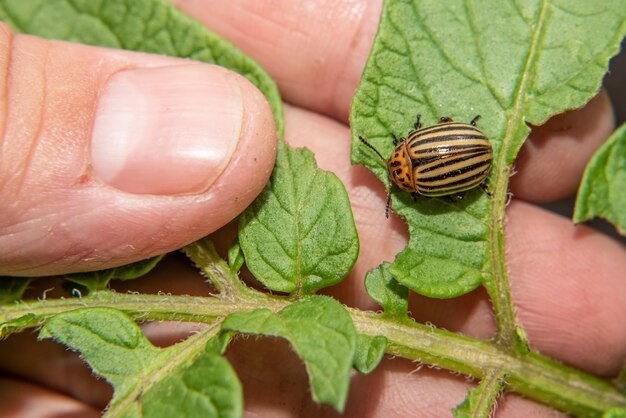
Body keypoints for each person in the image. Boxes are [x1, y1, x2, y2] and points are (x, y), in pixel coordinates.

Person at [0, 1, 624, 416]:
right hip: (461, 149)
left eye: (398, 168)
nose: (397, 172)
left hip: (461, 151)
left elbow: (439, 166)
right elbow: (442, 163)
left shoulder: (410, 161)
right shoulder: (416, 153)